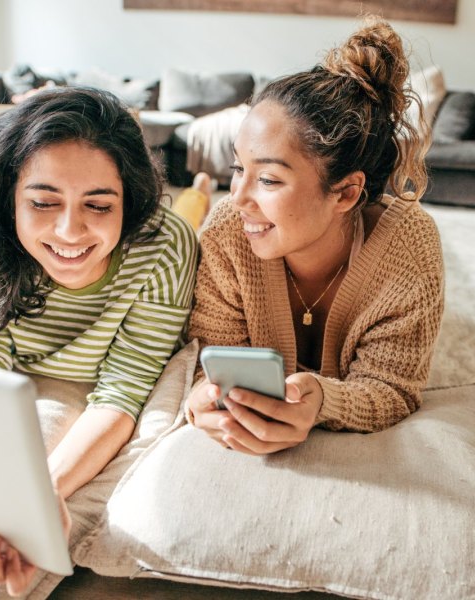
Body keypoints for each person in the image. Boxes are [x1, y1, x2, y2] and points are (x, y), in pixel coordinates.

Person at [0, 86, 199, 595]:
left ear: (129, 201)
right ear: (8, 197)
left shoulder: (163, 245)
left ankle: (202, 191)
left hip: (134, 310)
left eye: (99, 205)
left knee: (194, 210)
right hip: (27, 364)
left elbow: (122, 390)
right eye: (42, 201)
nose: (69, 231)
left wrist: (37, 500)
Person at [185, 16, 445, 454]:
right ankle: (197, 190)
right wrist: (202, 399)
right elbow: (208, 357)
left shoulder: (409, 248)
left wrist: (326, 401)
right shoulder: (227, 231)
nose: (240, 197)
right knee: (187, 214)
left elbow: (393, 388)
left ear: (345, 192)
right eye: (237, 169)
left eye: (267, 179)